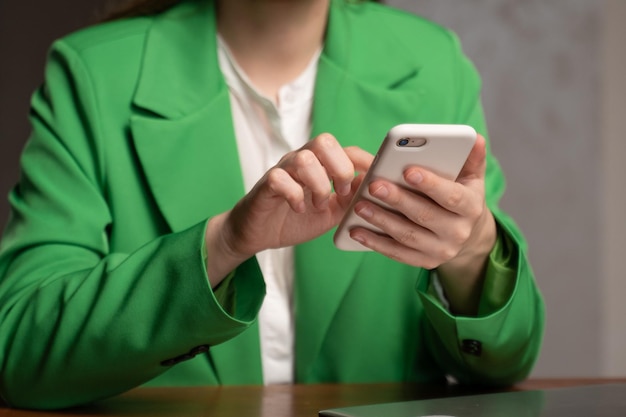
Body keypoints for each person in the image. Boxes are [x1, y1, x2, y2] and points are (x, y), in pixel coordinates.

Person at [0, 0, 545, 410]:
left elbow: (504, 361)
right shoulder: (94, 73)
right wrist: (223, 245)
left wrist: (473, 250)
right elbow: (18, 351)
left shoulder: (432, 61)